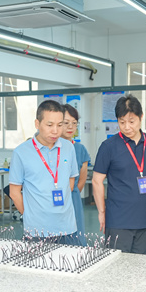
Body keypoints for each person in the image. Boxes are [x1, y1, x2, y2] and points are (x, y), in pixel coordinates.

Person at [92, 95, 146, 254]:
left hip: (144, 219)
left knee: (143, 264)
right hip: (118, 220)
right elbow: (96, 181)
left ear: (141, 117)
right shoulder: (109, 146)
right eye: (122, 122)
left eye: (131, 121)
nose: (127, 127)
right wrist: (102, 212)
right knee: (117, 264)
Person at [9, 100, 79, 243]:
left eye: (60, 125)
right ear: (37, 124)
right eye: (49, 125)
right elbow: (14, 192)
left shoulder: (68, 148)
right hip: (37, 230)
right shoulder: (21, 152)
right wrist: (30, 215)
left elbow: (71, 181)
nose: (55, 130)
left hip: (67, 227)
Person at [62, 104, 90, 246]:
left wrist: (71, 194)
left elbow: (82, 180)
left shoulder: (80, 149)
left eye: (74, 123)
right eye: (66, 123)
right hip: (51, 198)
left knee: (75, 239)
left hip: (73, 198)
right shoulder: (50, 148)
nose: (70, 127)